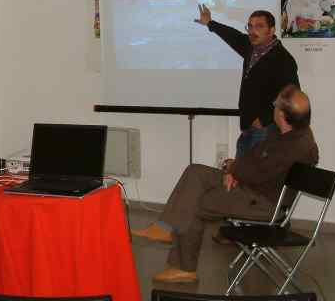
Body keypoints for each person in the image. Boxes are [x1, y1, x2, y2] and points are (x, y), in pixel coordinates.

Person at [131, 85, 318, 283]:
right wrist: (234, 170)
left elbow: (258, 173)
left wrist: (234, 170)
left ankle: (185, 269)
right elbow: (254, 158)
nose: (273, 107)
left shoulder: (295, 147)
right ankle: (165, 227)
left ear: (282, 114)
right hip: (250, 186)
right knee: (195, 172)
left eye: (276, 104)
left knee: (194, 203)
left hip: (263, 202)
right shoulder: (282, 132)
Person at [195, 5, 299, 157]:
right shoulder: (251, 47)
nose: (252, 31)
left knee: (256, 172)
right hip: (247, 128)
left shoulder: (283, 59)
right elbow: (233, 36)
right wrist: (210, 23)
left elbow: (292, 97)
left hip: (266, 131)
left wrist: (263, 120)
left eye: (259, 26)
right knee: (241, 171)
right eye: (250, 26)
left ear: (271, 30)